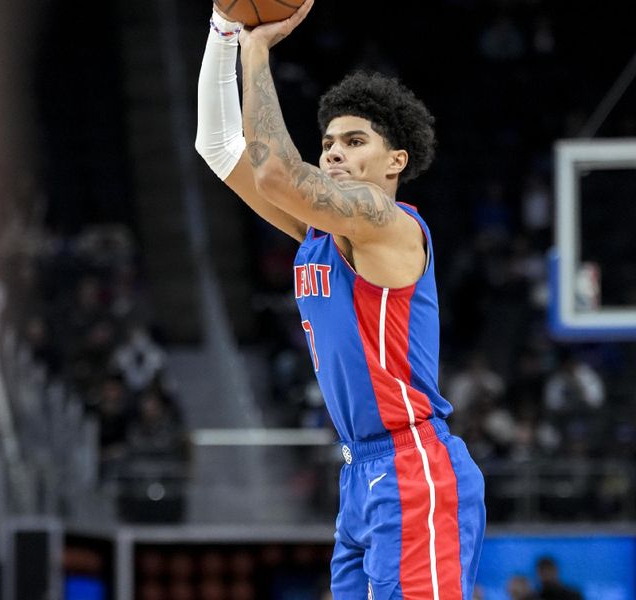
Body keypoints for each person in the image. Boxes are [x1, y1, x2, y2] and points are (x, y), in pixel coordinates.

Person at [195, 2, 485, 598]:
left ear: (395, 163)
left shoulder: (386, 219)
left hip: (412, 467)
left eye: (354, 142)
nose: (332, 152)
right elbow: (218, 148)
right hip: (362, 474)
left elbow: (275, 171)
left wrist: (257, 50)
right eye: (327, 142)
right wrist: (223, 32)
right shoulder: (322, 232)